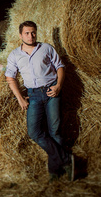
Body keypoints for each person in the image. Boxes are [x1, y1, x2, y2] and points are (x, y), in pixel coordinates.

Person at [4, 20, 74, 182]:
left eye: (33, 32)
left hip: (51, 92)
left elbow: (60, 67)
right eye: (27, 33)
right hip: (33, 95)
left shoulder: (46, 48)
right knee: (34, 133)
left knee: (54, 131)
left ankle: (55, 173)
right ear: (21, 35)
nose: (31, 36)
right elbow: (10, 77)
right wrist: (20, 98)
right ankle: (66, 159)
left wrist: (58, 86)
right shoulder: (15, 55)